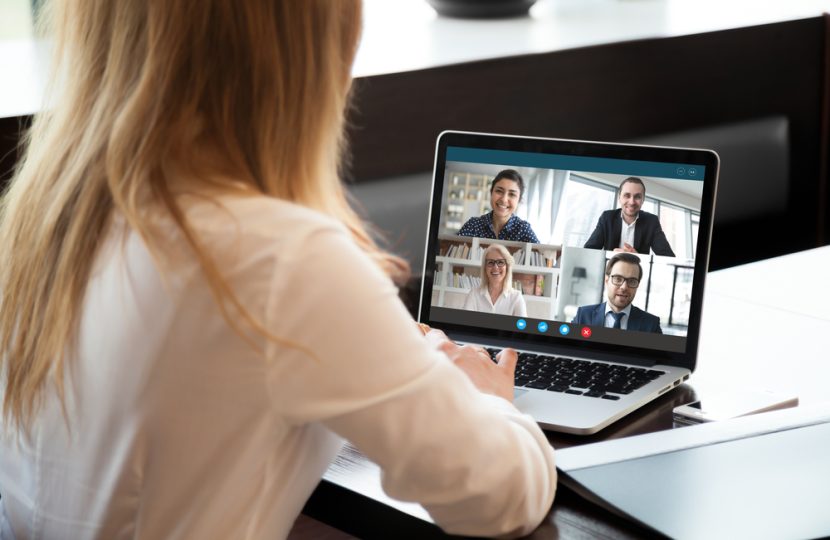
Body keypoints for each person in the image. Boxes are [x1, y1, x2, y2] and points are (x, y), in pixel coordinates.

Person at [0, 2, 556, 538]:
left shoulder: (44, 222)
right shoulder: (284, 260)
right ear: (312, 46)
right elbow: (499, 497)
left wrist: (386, 362)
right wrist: (483, 398)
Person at [583, 177, 675, 256]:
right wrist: (611, 256)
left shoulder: (651, 221)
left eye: (637, 197)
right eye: (627, 195)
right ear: (619, 197)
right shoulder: (607, 218)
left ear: (643, 200)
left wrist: (637, 258)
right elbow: (588, 252)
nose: (632, 202)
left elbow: (668, 257)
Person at [572, 253, 662, 333]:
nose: (624, 287)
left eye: (632, 281)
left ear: (638, 285)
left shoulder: (651, 324)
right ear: (606, 280)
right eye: (618, 279)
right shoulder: (583, 315)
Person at [458, 169, 540, 242]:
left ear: (519, 200)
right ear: (491, 192)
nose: (504, 199)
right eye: (499, 191)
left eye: (512, 194)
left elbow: (542, 253)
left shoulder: (523, 230)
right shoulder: (473, 225)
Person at [463, 244, 528, 316]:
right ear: (485, 268)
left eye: (500, 262)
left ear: (507, 267)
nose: (495, 267)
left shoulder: (516, 298)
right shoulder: (474, 294)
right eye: (490, 262)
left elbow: (522, 323)